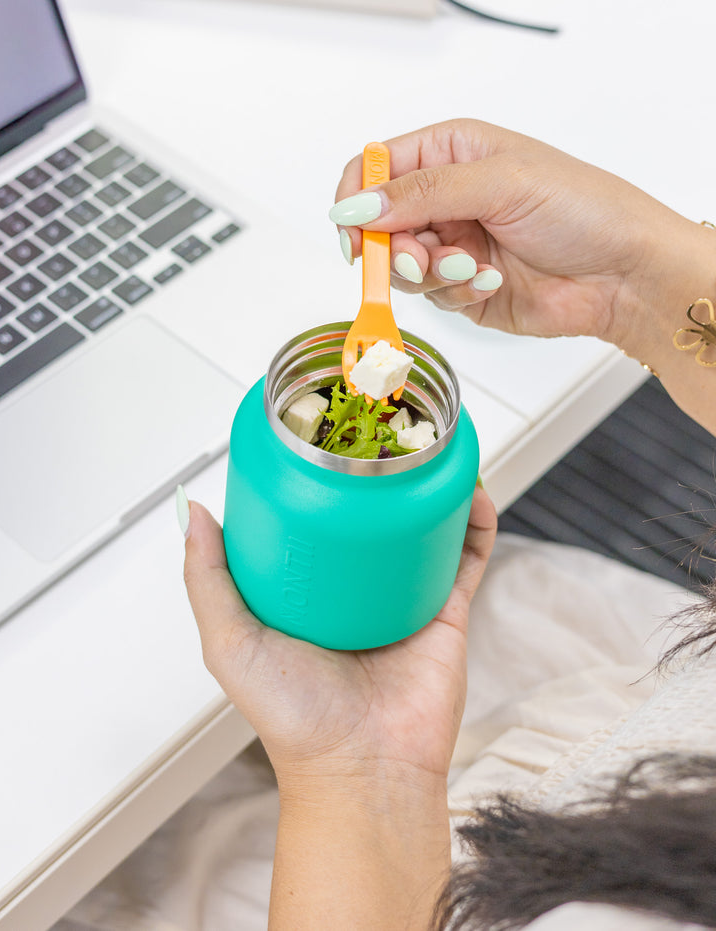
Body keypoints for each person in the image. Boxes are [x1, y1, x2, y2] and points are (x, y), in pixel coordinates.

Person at [58, 119, 716, 931]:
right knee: (515, 588)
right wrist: (637, 277)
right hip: (661, 695)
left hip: (505, 862)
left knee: (108, 875)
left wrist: (357, 768)